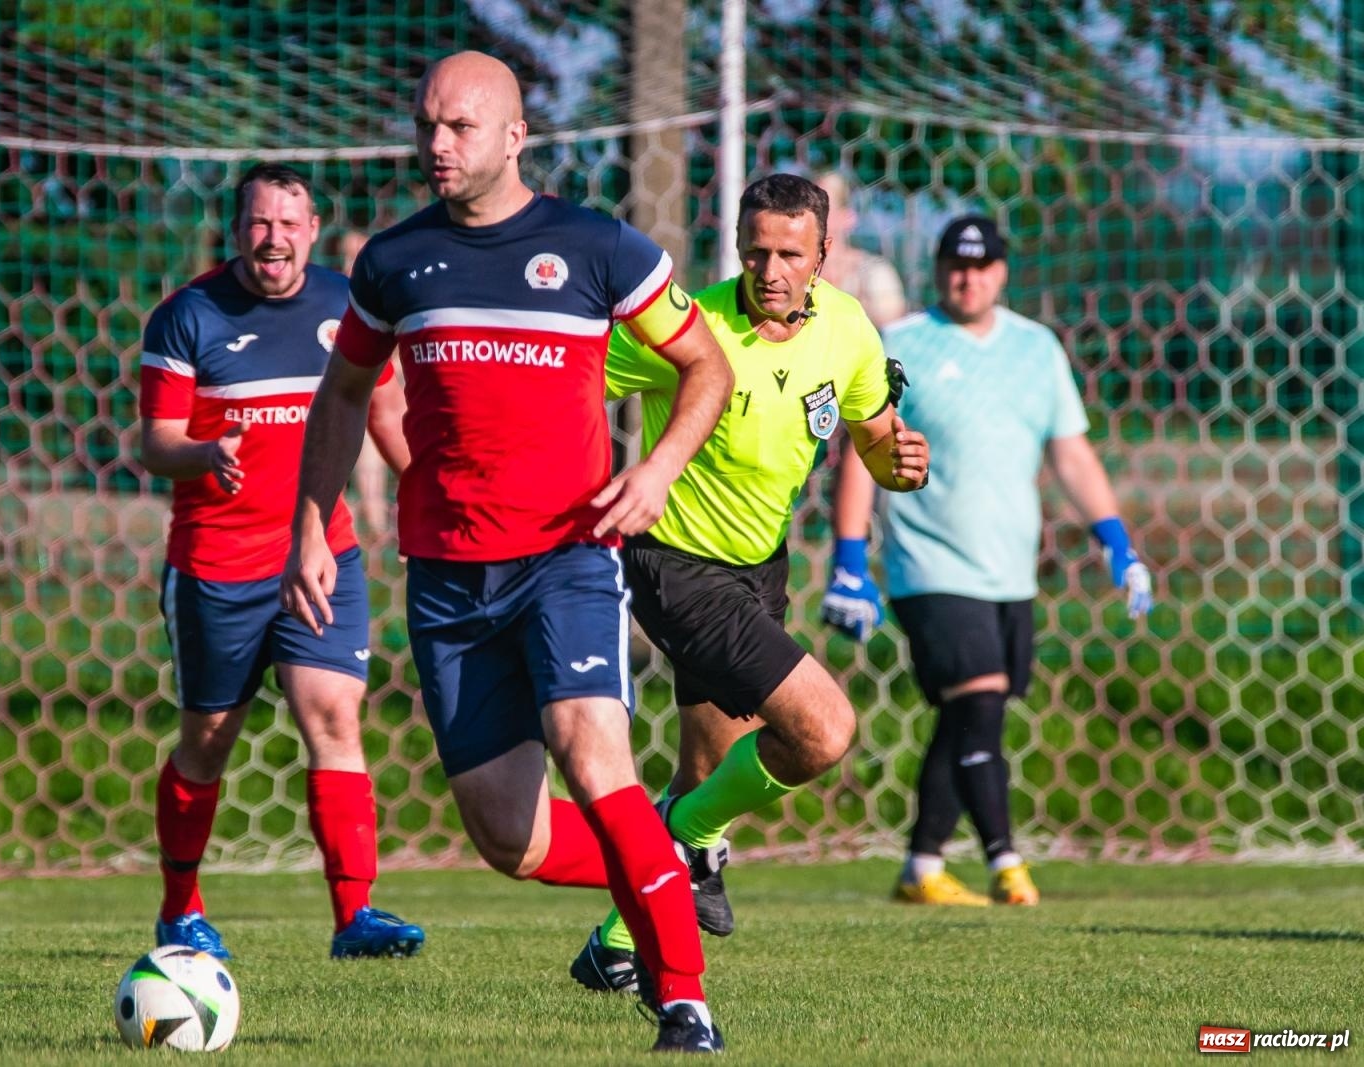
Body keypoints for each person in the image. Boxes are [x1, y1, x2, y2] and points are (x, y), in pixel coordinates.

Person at [281, 51, 734, 1054]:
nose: (435, 146)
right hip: (446, 578)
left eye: (458, 128)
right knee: (508, 839)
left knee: (591, 752)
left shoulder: (593, 246)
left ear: (515, 136)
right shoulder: (393, 261)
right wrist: (312, 523)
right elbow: (344, 395)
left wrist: (656, 468)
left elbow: (705, 363)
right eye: (426, 125)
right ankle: (665, 862)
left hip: (565, 558)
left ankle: (683, 1000)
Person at [571, 173, 931, 994]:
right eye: (757, 251)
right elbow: (577, 381)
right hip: (676, 565)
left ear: (824, 256)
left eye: (791, 255)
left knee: (708, 770)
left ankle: (615, 945)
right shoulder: (690, 329)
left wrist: (901, 465)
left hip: (761, 567)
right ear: (736, 246)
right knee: (822, 729)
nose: (771, 271)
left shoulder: (847, 331)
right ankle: (690, 838)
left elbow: (876, 437)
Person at [822, 215, 1155, 906]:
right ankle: (1008, 864)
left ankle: (921, 868)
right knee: (978, 698)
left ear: (1002, 272)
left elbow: (1070, 451)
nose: (964, 277)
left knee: (973, 713)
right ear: (938, 269)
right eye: (952, 264)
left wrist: (1117, 541)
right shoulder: (903, 343)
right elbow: (864, 446)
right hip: (930, 567)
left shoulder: (1037, 349)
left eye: (979, 265)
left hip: (1008, 571)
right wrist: (850, 557)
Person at [137, 162, 425, 961]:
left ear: (312, 230)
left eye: (289, 224)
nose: (275, 238)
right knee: (209, 741)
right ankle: (179, 909)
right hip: (216, 565)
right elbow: (154, 442)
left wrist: (428, 490)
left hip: (322, 552)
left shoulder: (345, 305)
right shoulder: (187, 316)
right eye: (260, 223)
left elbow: (387, 412)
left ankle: (354, 917)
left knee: (333, 718)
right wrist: (202, 450)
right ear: (238, 232)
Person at [333, 227, 392, 537]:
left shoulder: (385, 290)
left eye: (355, 257)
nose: (348, 265)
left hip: (379, 393)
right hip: (341, 395)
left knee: (373, 445)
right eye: (344, 257)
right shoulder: (333, 294)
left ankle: (377, 527)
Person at [814, 172, 907, 329]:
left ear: (848, 217)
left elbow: (893, 336)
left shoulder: (874, 273)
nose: (812, 214)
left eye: (821, 206)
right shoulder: (792, 270)